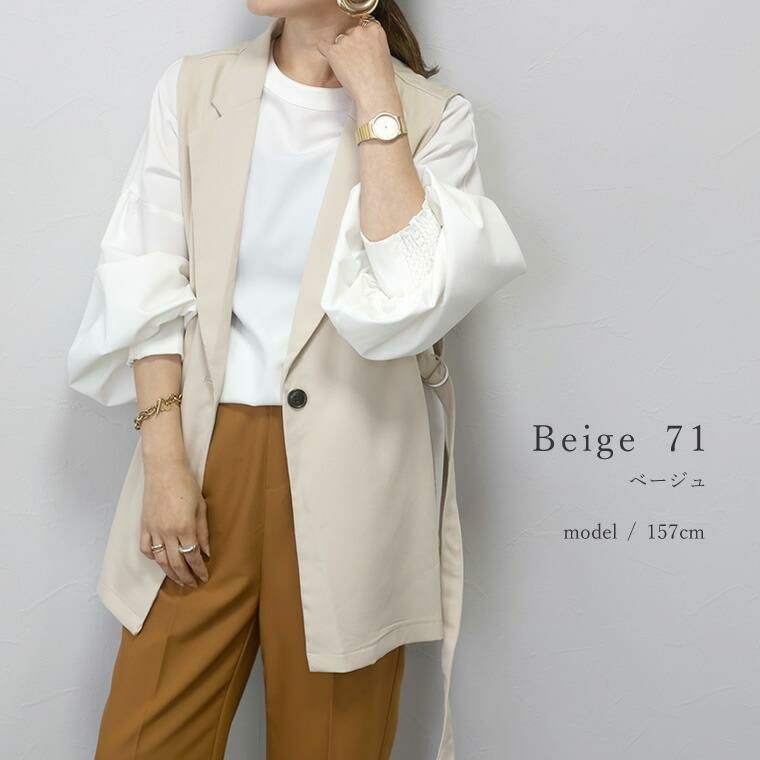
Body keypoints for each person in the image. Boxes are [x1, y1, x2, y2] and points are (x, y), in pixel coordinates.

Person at [67, 1, 527, 758]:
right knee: (144, 742)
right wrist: (164, 464)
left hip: (357, 475)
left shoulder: (433, 118)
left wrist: (376, 99)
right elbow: (145, 276)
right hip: (204, 460)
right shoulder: (194, 89)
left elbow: (412, 300)